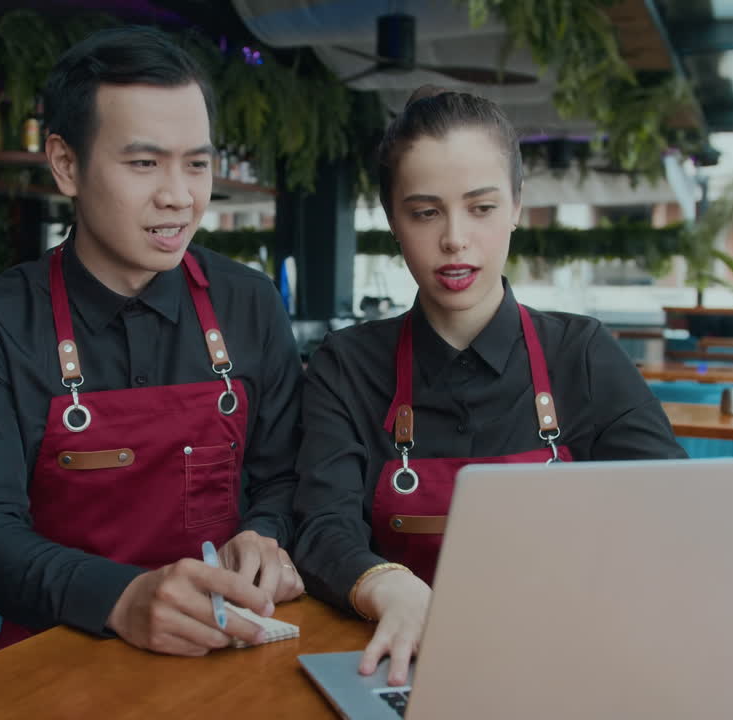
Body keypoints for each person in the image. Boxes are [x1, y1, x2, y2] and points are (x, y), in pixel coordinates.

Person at [292, 86, 687, 685]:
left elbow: (673, 512)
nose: (455, 238)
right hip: (401, 666)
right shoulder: (346, 366)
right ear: (392, 218)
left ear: (517, 206)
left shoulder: (582, 355)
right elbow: (321, 526)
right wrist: (385, 585)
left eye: (481, 207)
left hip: (570, 662)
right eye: (425, 212)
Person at [0, 26, 304, 658]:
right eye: (143, 162)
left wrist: (264, 535)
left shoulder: (250, 302)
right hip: (55, 649)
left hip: (227, 645)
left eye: (196, 163)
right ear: (66, 164)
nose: (178, 196)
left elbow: (286, 475)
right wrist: (122, 598)